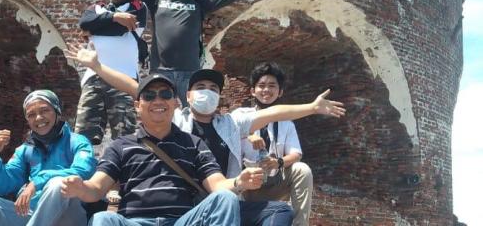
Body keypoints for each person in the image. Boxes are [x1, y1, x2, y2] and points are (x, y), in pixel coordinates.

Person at [66, 47, 346, 226]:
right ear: (186, 97)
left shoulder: (230, 124)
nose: (207, 92)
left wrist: (312, 107)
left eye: (213, 89)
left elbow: (273, 112)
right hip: (168, 208)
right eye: (200, 87)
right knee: (102, 218)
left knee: (270, 210)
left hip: (213, 199)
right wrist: (98, 67)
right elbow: (137, 89)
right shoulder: (175, 118)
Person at [72, 0, 290, 104]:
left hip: (190, 73)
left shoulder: (201, 2)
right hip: (161, 72)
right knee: (158, 112)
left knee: (188, 120)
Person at [60, 73, 265, 226]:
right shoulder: (120, 145)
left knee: (226, 198)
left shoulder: (193, 144)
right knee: (102, 219)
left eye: (165, 94)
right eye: (149, 95)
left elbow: (217, 184)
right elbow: (96, 188)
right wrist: (81, 188)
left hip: (182, 221)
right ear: (137, 105)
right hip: (135, 222)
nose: (158, 100)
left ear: (175, 103)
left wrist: (239, 182)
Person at [0, 90, 97, 226]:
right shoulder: (25, 150)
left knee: (58, 184)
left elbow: (84, 171)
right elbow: (0, 187)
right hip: (32, 215)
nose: (38, 118)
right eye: (31, 115)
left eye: (44, 110)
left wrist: (36, 182)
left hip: (68, 216)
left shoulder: (77, 141)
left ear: (57, 111)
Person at [75, 0, 147, 146]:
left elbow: (118, 31)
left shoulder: (138, 7)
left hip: (124, 79)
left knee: (125, 137)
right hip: (93, 78)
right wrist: (115, 17)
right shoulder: (96, 7)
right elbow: (84, 22)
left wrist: (94, 28)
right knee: (83, 137)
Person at [239, 63, 315, 226]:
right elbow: (225, 136)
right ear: (252, 91)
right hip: (245, 184)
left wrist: (278, 162)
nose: (266, 90)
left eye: (272, 86)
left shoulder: (286, 122)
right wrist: (247, 135)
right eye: (261, 85)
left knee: (302, 170)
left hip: (273, 182)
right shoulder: (241, 116)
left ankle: (299, 224)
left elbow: (296, 154)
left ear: (280, 92)